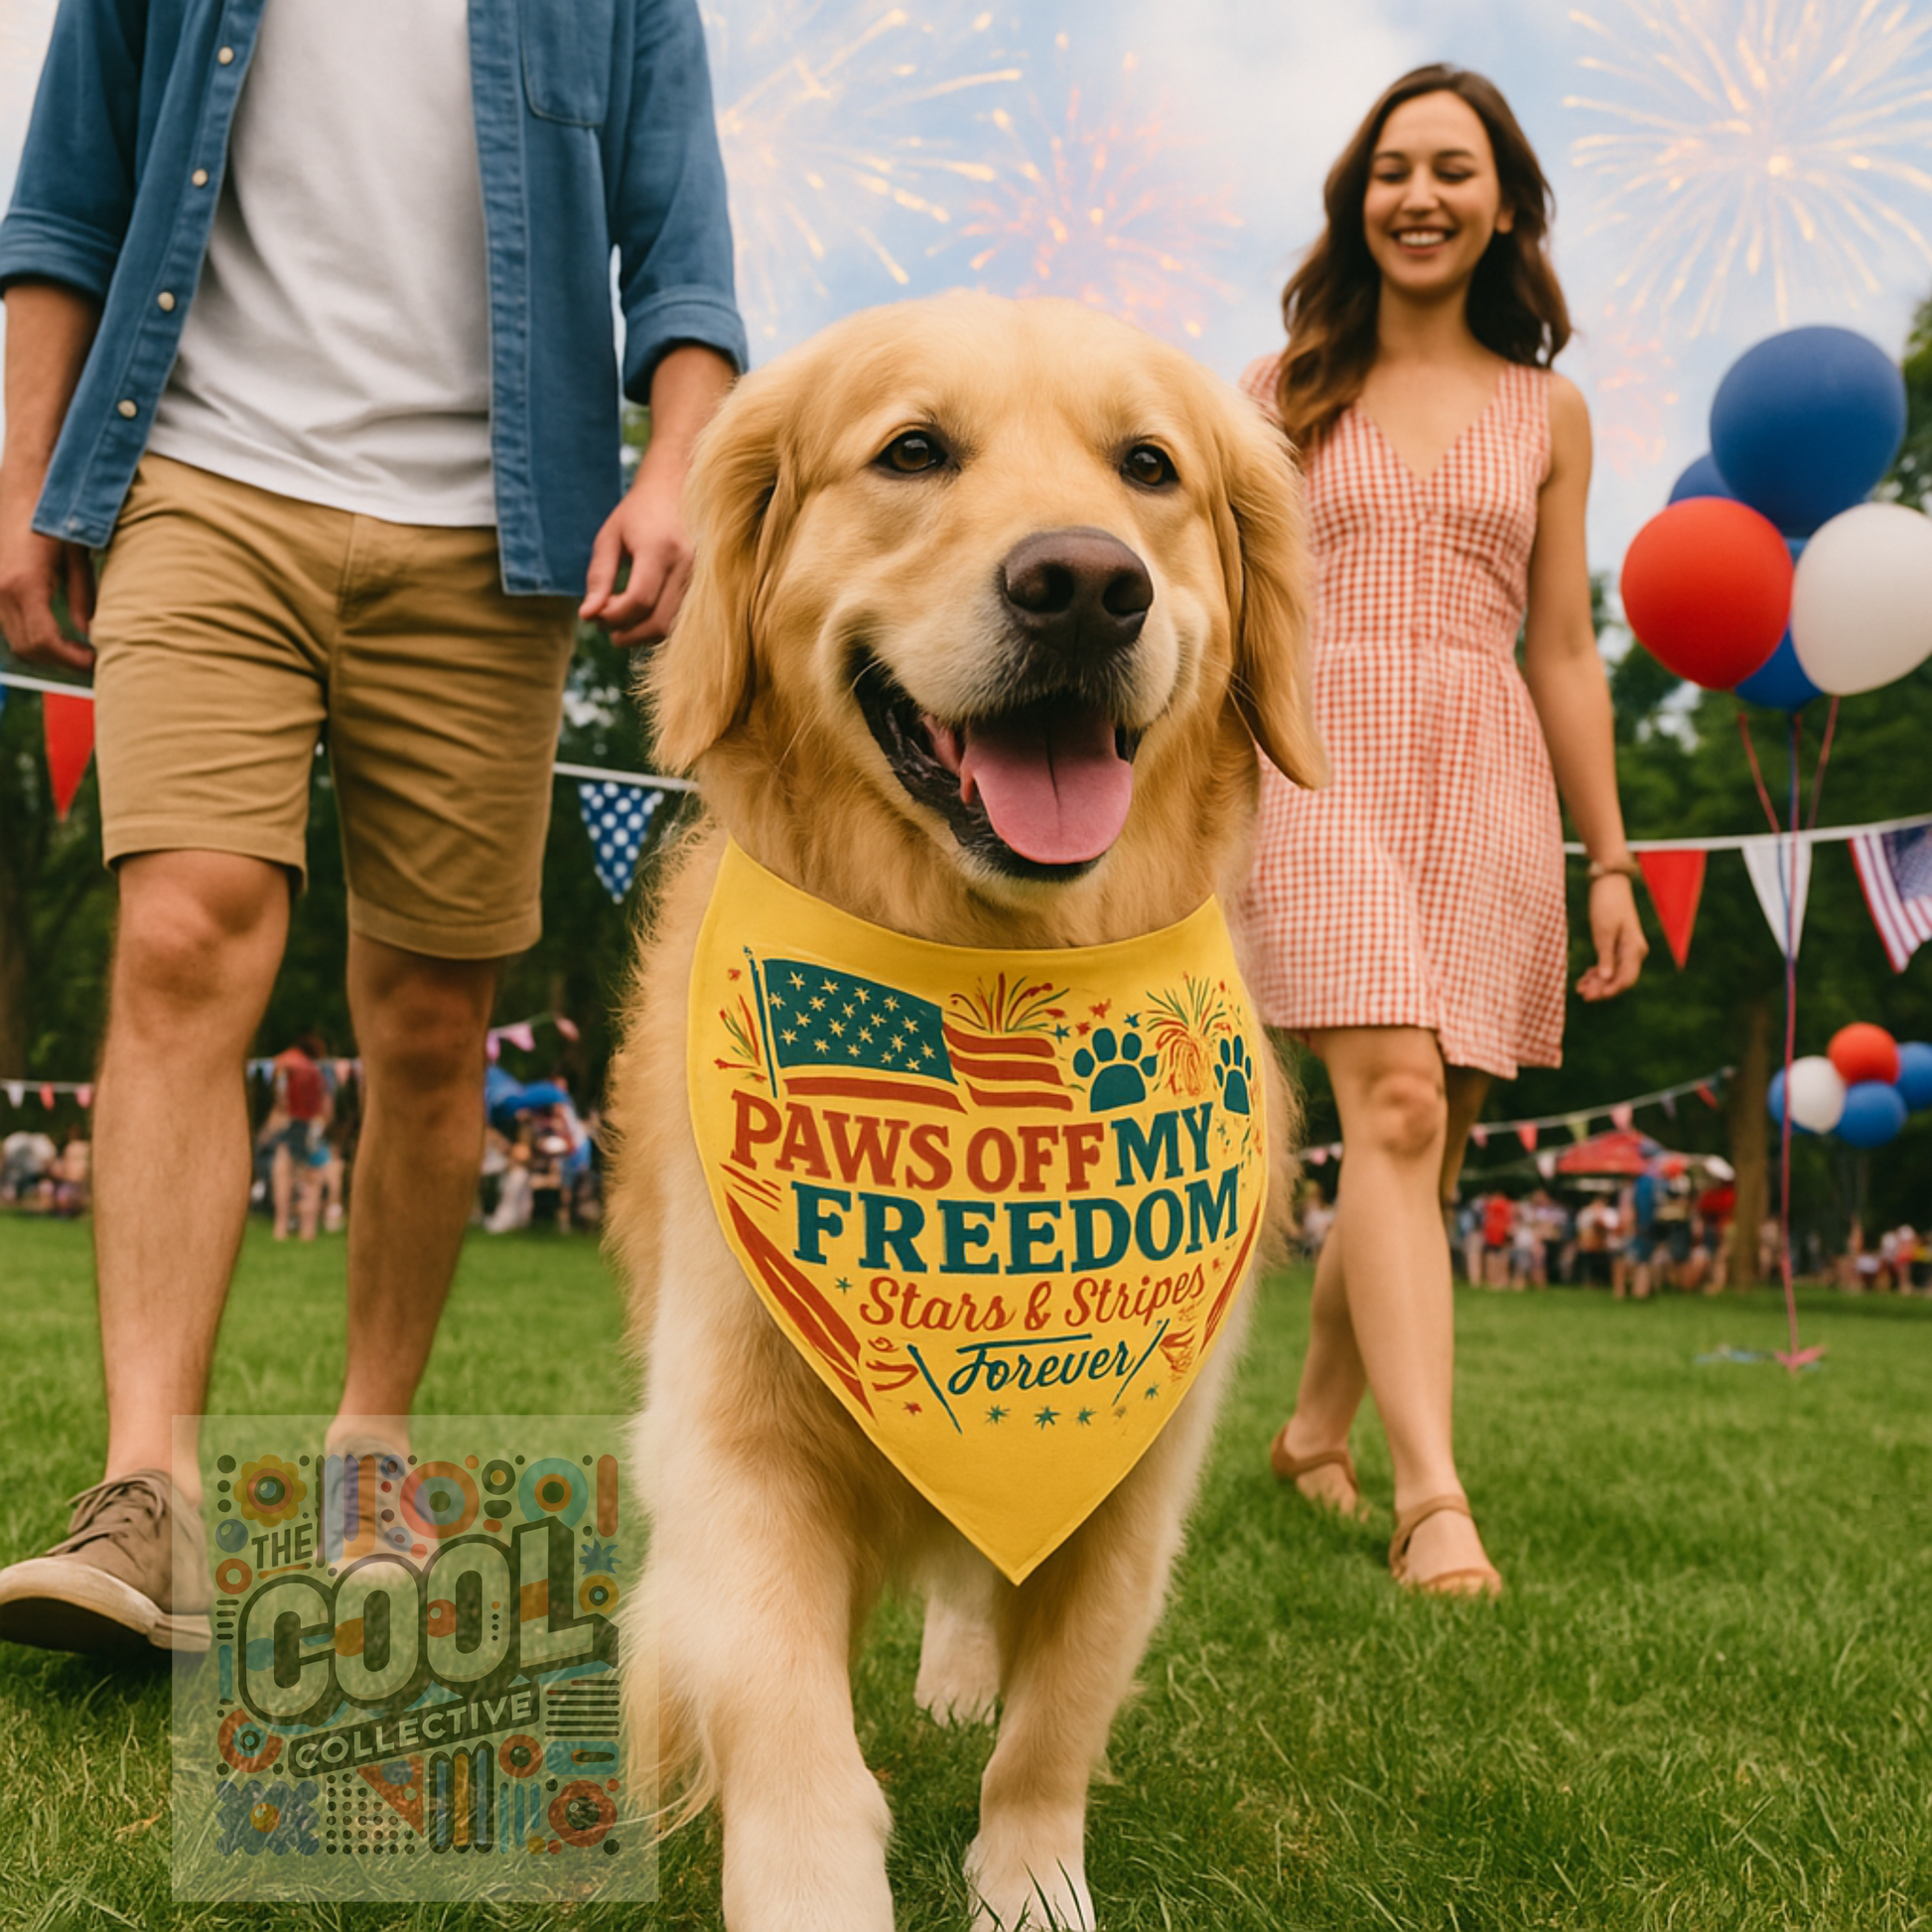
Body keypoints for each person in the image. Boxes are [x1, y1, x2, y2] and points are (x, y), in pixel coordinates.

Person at [0, 0, 745, 1658]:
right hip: (196, 479)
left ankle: (371, 1449)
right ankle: (147, 1494)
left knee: (427, 1017)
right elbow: (62, 208)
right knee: (184, 931)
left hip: (498, 531)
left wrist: (674, 467)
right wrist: (21, 483)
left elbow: (683, 257)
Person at [1244, 66, 1646, 1594]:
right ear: (1358, 198)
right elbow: (1233, 616)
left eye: (1453, 170)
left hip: (1486, 770)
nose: (1419, 195)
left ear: (1502, 205)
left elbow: (1560, 644)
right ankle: (1432, 1502)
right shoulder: (1277, 390)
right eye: (1392, 168)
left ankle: (1308, 1435)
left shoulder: (1550, 410)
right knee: (1395, 1103)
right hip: (1318, 761)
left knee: (1421, 1132)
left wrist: (1608, 857)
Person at [267, 1031, 331, 1241]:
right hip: (313, 1128)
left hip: (293, 1125)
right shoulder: (319, 1074)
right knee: (311, 1181)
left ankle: (281, 1228)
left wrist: (279, 1085)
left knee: (283, 1176)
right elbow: (327, 1111)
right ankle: (308, 1231)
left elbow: (282, 1100)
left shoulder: (291, 1063)